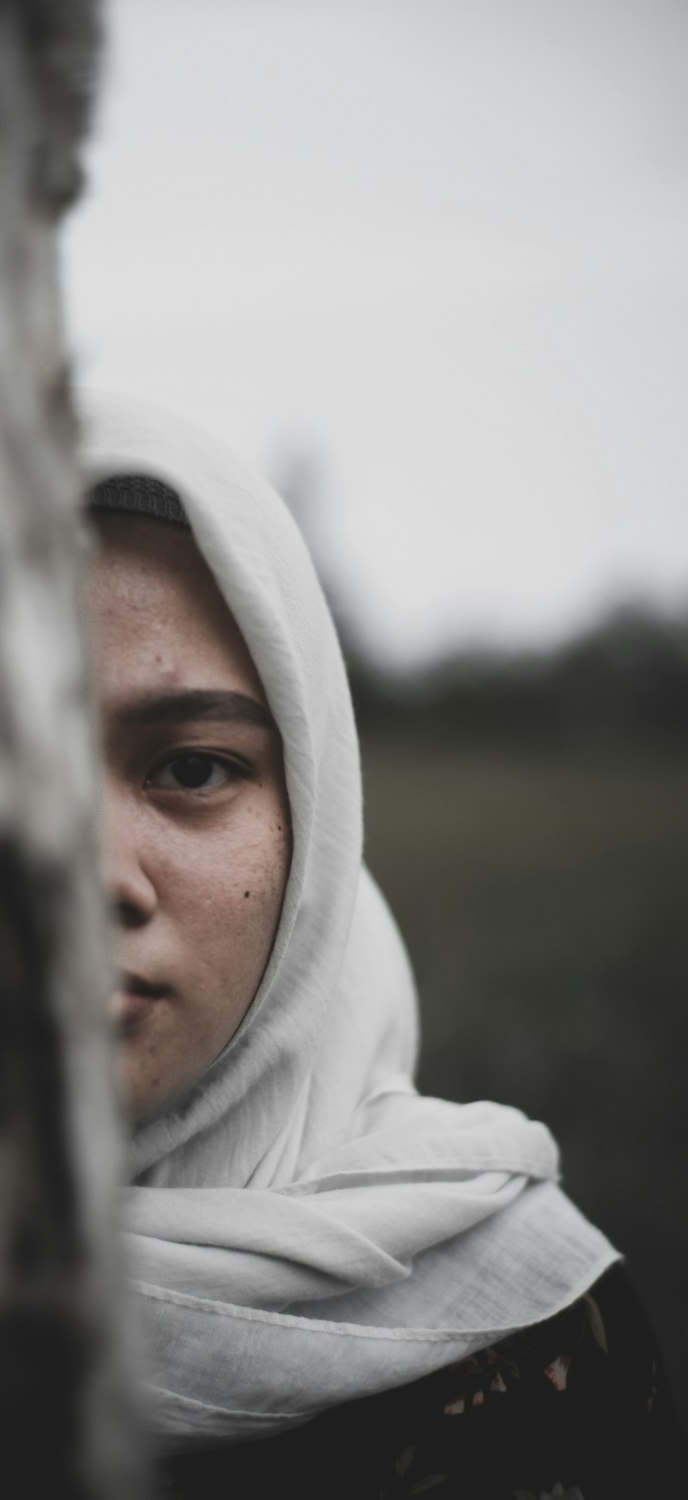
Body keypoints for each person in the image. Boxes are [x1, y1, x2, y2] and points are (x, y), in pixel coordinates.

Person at [80, 391, 683, 1498]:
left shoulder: (529, 1340)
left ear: (314, 823)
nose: (94, 877)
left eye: (193, 768)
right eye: (6, 762)